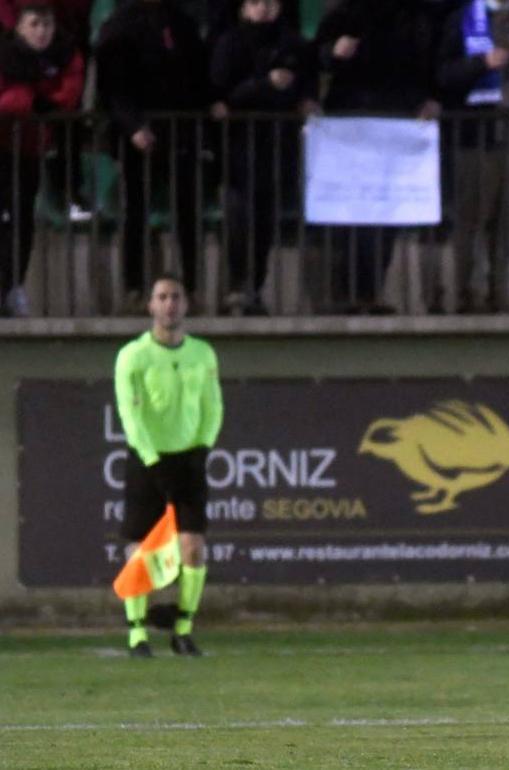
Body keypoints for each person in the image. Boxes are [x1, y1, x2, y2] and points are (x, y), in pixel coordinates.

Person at [114, 273, 223, 657]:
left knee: (193, 547)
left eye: (176, 296)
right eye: (162, 297)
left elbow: (214, 407)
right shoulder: (133, 355)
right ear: (150, 305)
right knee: (140, 549)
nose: (169, 304)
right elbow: (130, 415)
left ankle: (183, 630)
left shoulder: (203, 354)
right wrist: (151, 459)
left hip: (189, 461)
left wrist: (202, 449)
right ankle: (137, 634)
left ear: (186, 304)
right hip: (148, 461)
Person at [314, 0, 444, 314]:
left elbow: (425, 66)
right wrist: (333, 52)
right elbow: (316, 59)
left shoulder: (414, 17)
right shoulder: (342, 14)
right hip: (349, 127)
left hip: (394, 126)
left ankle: (371, 292)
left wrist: (428, 100)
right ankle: (343, 294)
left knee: (386, 214)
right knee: (347, 211)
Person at [96, 0, 214, 315]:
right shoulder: (119, 26)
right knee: (135, 213)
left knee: (188, 213)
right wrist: (134, 126)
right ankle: (134, 289)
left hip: (181, 133)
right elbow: (112, 89)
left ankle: (191, 288)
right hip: (135, 138)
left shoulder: (182, 23)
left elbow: (198, 79)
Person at [438, 0, 509, 314]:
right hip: (476, 136)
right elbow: (444, 75)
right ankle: (465, 293)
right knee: (472, 218)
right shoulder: (461, 20)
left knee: (506, 222)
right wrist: (481, 64)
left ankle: (499, 291)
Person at [211, 0, 317, 316]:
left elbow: (307, 85)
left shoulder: (293, 44)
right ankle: (235, 288)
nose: (265, 10)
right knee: (238, 221)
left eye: (271, 3)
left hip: (277, 147)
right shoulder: (230, 42)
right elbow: (223, 94)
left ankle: (254, 288)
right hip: (239, 150)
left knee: (265, 224)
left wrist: (306, 100)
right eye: (257, 3)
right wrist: (264, 84)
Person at [0, 0, 84, 317]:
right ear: (19, 26)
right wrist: (34, 103)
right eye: (34, 24)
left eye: (46, 24)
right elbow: (8, 102)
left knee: (22, 221)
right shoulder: (5, 54)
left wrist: (30, 103)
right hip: (2, 147)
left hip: (31, 149)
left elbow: (67, 96)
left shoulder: (65, 53)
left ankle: (12, 287)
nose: (41, 31)